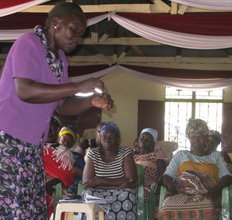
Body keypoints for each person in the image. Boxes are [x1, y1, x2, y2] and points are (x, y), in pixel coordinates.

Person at [0, 2, 113, 219]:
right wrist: (79, 86)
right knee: (13, 208)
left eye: (80, 34)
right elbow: (25, 90)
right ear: (55, 23)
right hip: (8, 142)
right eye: (74, 30)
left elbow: (62, 105)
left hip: (32, 147)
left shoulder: (60, 60)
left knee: (31, 208)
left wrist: (91, 101)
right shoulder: (29, 43)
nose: (77, 38)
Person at [160, 119, 232, 220]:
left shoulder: (216, 156)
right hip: (182, 193)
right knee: (167, 206)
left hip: (208, 194)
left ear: (206, 137)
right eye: (193, 137)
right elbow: (166, 176)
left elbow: (227, 176)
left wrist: (214, 190)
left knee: (208, 207)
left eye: (200, 137)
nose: (196, 140)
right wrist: (171, 187)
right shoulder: (180, 155)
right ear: (188, 138)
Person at [82, 122, 138, 219]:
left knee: (128, 195)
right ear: (100, 139)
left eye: (111, 137)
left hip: (120, 194)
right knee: (88, 194)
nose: (107, 140)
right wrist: (117, 184)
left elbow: (131, 180)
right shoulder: (93, 153)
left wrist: (100, 181)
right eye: (104, 137)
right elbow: (87, 183)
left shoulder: (125, 152)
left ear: (117, 139)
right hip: (100, 193)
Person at [43, 126, 77, 218]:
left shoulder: (66, 153)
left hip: (53, 190)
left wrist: (46, 185)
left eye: (70, 141)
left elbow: (66, 175)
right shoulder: (38, 148)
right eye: (65, 139)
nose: (66, 142)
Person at [134, 128, 169, 202]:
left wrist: (157, 192)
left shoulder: (157, 156)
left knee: (138, 195)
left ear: (153, 143)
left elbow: (163, 176)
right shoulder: (133, 155)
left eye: (147, 139)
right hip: (132, 186)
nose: (143, 140)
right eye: (142, 138)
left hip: (148, 188)